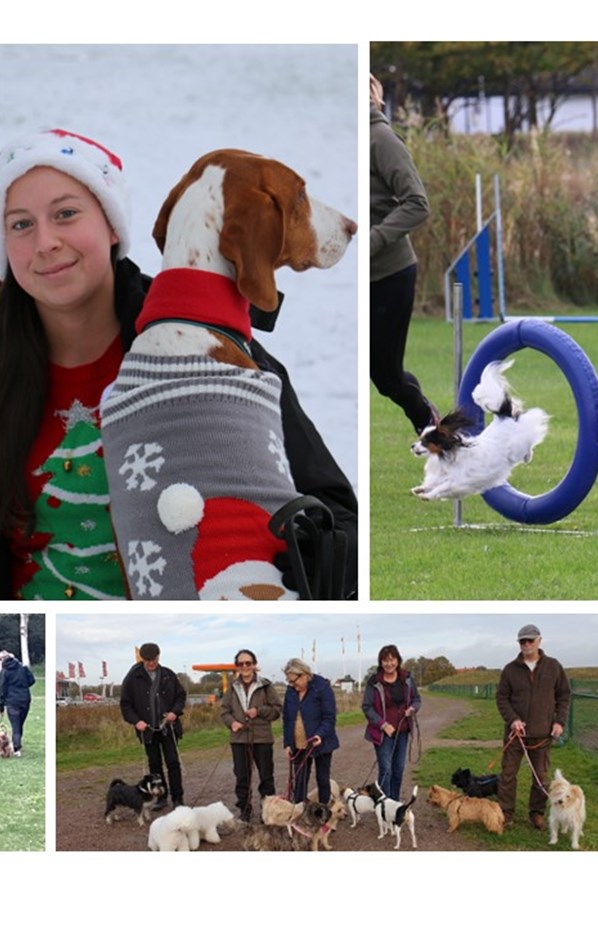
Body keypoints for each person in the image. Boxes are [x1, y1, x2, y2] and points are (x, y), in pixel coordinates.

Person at [0, 127, 358, 601]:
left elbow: (338, 515)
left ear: (111, 225)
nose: (45, 242)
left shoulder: (215, 356)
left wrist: (255, 582)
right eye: (21, 224)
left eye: (66, 214)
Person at [370, 74, 438, 434]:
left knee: (386, 375)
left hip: (390, 275)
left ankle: (431, 424)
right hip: (359, 278)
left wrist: (374, 239)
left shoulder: (381, 139)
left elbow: (418, 204)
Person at [495, 624, 571, 830]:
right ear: (518, 643)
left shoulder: (553, 666)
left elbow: (563, 695)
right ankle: (506, 813)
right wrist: (512, 719)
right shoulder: (510, 670)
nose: (526, 644)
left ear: (539, 640)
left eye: (530, 640)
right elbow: (502, 698)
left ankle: (536, 813)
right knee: (508, 774)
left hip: (542, 735)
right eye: (522, 641)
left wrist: (559, 721)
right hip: (516, 735)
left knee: (541, 777)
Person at [120, 641, 186, 809]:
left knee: (173, 762)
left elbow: (181, 696)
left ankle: (178, 798)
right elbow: (126, 704)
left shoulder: (168, 674)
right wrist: (136, 721)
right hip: (147, 730)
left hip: (168, 728)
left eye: (154, 660)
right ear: (142, 659)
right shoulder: (132, 677)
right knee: (155, 765)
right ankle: (161, 797)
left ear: (159, 657)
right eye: (148, 660)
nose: (151, 664)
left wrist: (175, 712)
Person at [220, 648, 281, 822]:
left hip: (262, 738)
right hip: (239, 740)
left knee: (266, 778)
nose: (245, 666)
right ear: (237, 667)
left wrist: (259, 711)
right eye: (241, 663)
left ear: (254, 665)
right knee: (242, 777)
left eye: (248, 663)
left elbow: (277, 710)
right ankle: (245, 811)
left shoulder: (266, 685)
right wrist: (232, 723)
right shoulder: (232, 688)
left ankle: (268, 813)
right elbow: (224, 711)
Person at [362, 643, 421, 800]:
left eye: (392, 659)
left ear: (398, 660)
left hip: (402, 731)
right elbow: (367, 707)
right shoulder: (374, 682)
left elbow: (416, 699)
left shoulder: (407, 678)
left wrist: (413, 709)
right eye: (385, 660)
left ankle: (394, 803)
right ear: (381, 662)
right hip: (382, 733)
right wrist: (383, 724)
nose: (389, 663)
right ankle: (383, 804)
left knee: (398, 768)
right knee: (386, 769)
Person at [281, 657, 338, 804]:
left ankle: (325, 811)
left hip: (321, 742)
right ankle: (300, 811)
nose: (293, 685)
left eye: (294, 681)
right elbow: (287, 718)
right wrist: (288, 743)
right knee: (300, 779)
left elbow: (329, 717)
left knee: (322, 778)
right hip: (299, 744)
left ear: (305, 674)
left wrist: (320, 734)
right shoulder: (290, 691)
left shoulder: (322, 687)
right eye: (290, 682)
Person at [0, 650, 35, 756]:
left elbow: (2, 688)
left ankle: (16, 748)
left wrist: (1, 704)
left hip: (12, 701)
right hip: (25, 699)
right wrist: (23, 687)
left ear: (3, 660)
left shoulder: (5, 671)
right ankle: (17, 745)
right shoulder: (23, 668)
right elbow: (32, 680)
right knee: (20, 724)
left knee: (15, 725)